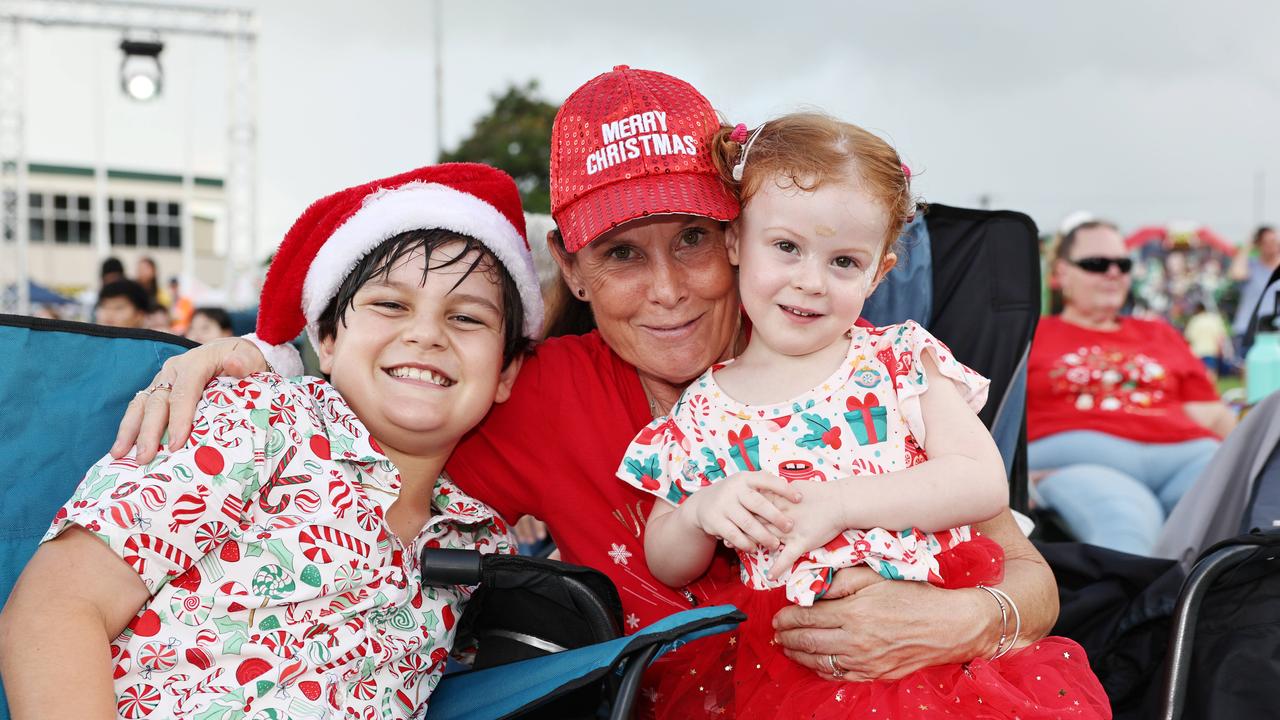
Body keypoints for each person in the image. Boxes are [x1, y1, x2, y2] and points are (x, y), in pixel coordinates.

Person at [109, 66, 1068, 699]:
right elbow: (390, 385)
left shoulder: (847, 368)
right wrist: (256, 358)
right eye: (621, 254)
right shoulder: (534, 393)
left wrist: (964, 620)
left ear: (737, 236)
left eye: (692, 240)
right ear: (570, 269)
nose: (667, 290)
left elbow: (1026, 569)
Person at [0, 163, 541, 719]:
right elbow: (56, 608)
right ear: (326, 341)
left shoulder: (480, 544)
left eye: (467, 317)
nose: (427, 333)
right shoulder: (258, 423)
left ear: (505, 374)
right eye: (390, 304)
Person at [617, 113, 1106, 718]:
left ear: (879, 272)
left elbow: (982, 481)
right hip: (793, 671)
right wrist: (698, 512)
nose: (811, 282)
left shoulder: (898, 361)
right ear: (736, 242)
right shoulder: (702, 408)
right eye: (787, 247)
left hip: (944, 660)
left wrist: (842, 503)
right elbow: (665, 560)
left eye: (843, 262)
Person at [1028, 220, 1236, 555]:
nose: (1113, 273)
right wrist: (1014, 478)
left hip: (1186, 459)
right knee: (1127, 523)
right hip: (1080, 462)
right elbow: (993, 418)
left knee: (1237, 520)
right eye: (1096, 264)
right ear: (1061, 273)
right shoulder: (1031, 335)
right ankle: (1142, 607)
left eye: (1122, 265)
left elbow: (1212, 416)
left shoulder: (1160, 333)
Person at [1229, 225, 1280, 349]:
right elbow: (1236, 274)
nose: (1271, 246)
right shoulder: (1251, 266)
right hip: (1249, 330)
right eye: (1265, 242)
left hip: (1276, 332)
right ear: (1258, 245)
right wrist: (1247, 246)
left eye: (1274, 241)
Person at [1184, 301, 1232, 378]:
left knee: (1199, 374)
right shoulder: (1214, 319)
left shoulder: (1194, 320)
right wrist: (1220, 349)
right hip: (1211, 350)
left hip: (1196, 351)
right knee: (1211, 373)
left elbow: (1188, 338)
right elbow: (1221, 336)